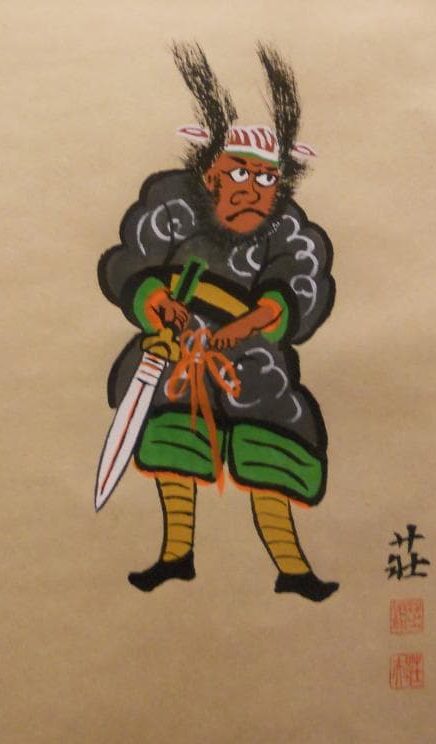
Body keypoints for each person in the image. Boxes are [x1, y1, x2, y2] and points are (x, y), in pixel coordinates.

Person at [98, 43, 339, 601]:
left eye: (268, 179)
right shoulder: (173, 206)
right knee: (172, 444)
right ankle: (175, 555)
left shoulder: (286, 229)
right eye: (240, 172)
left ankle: (293, 568)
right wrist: (154, 300)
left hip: (254, 362)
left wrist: (256, 320)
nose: (253, 189)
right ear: (210, 175)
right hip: (174, 353)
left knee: (273, 451)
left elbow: (301, 277)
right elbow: (128, 260)